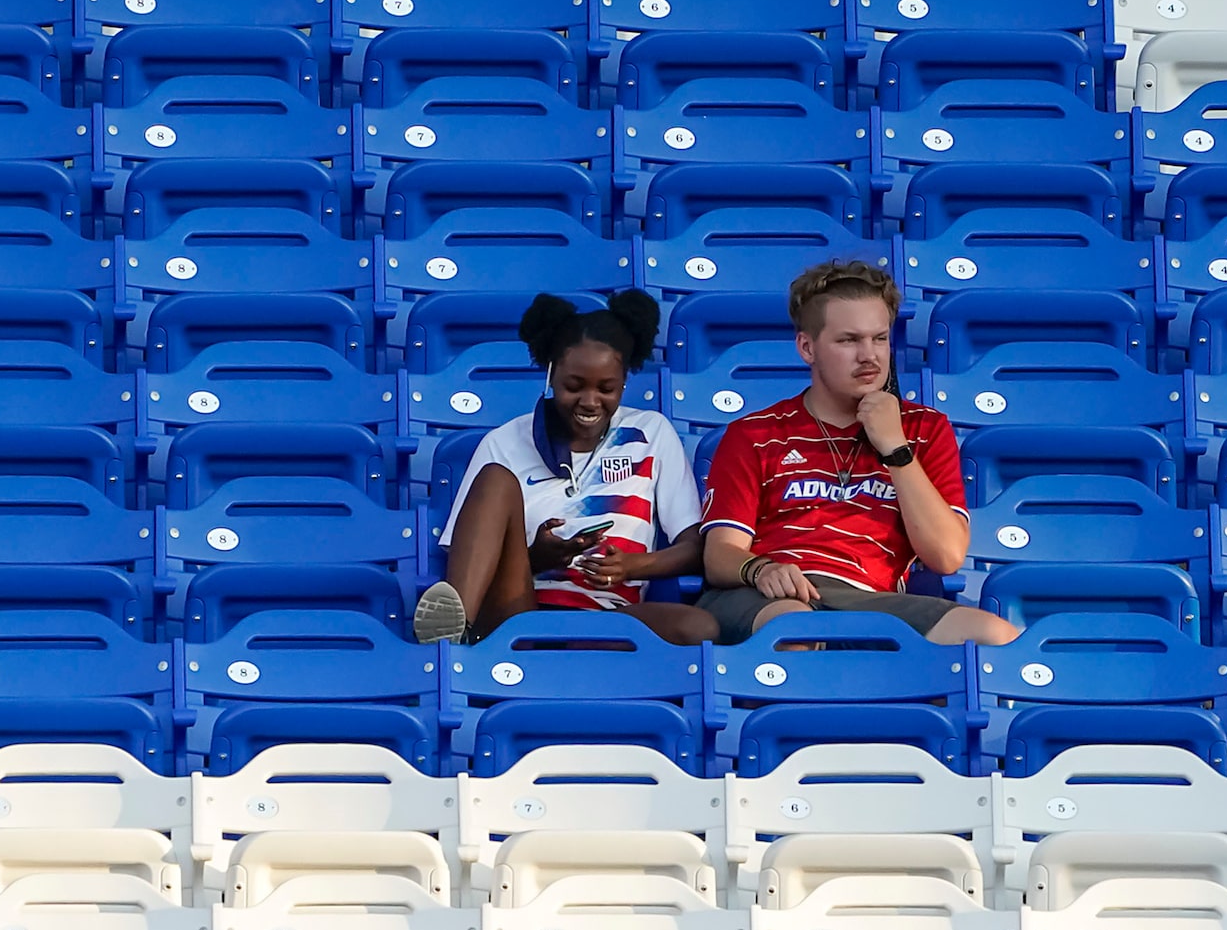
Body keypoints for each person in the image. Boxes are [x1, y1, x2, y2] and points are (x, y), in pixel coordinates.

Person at [697, 260, 1021, 645]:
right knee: (795, 629)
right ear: (807, 347)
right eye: (849, 340)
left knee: (994, 636)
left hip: (871, 598)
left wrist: (895, 448)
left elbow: (946, 557)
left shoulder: (924, 430)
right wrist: (761, 570)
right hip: (772, 593)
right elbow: (719, 555)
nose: (869, 355)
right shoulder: (755, 433)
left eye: (880, 338)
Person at [412, 292, 718, 645]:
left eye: (607, 389)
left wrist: (632, 567)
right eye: (574, 386)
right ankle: (452, 636)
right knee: (496, 479)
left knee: (700, 627)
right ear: (551, 375)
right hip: (519, 611)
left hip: (610, 617)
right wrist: (535, 559)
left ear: (624, 383)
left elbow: (694, 548)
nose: (590, 402)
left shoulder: (652, 433)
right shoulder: (504, 441)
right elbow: (467, 555)